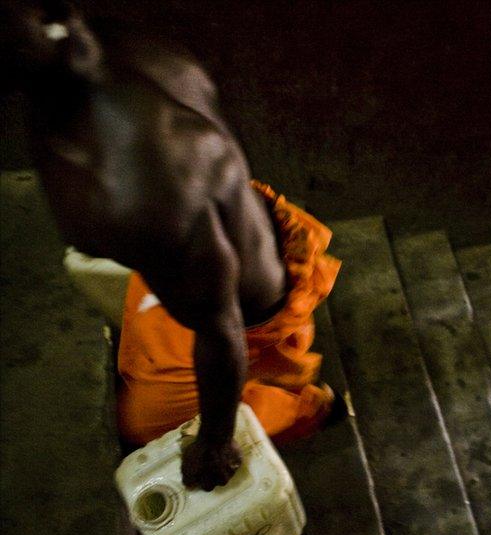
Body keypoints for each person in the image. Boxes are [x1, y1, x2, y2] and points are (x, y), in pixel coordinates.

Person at [3, 1, 344, 491]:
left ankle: (307, 410)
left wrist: (216, 441)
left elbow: (222, 334)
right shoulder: (108, 44)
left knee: (140, 425)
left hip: (243, 317)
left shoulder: (133, 187)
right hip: (220, 248)